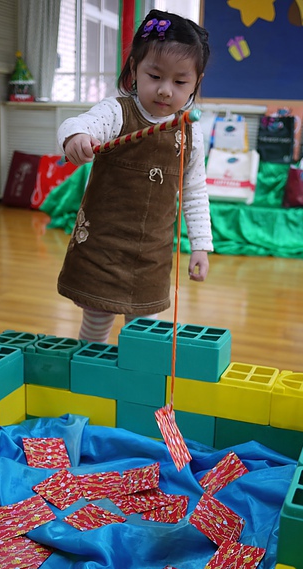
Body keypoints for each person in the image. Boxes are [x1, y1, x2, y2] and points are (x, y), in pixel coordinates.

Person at [57, 9, 213, 343]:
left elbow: (195, 190)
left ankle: (136, 392)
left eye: (180, 82)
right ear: (134, 70)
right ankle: (89, 382)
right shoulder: (116, 111)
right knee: (96, 323)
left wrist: (200, 245)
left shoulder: (190, 132)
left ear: (195, 83)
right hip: (104, 248)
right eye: (155, 76)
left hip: (152, 255)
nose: (165, 91)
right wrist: (76, 138)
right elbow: (79, 124)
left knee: (144, 335)